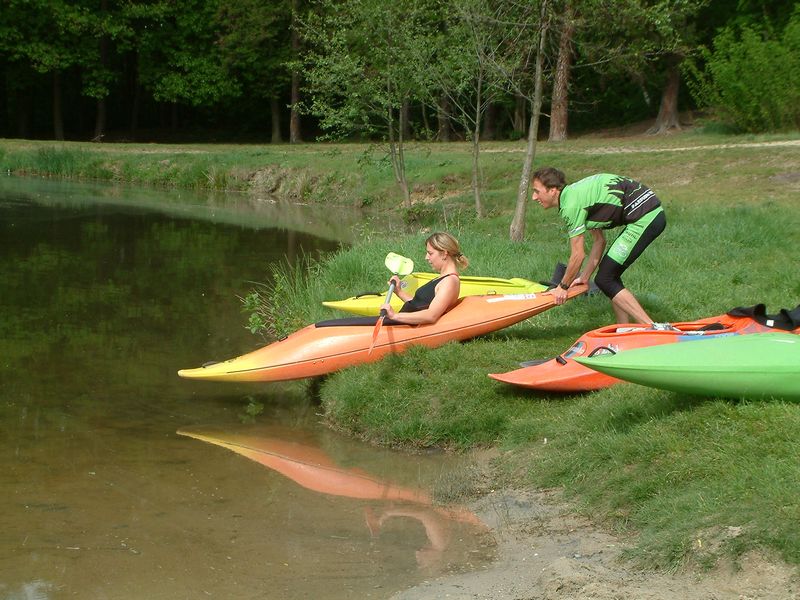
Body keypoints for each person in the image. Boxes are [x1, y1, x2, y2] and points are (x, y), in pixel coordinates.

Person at [531, 168, 666, 324]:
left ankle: (651, 326)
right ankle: (624, 327)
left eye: (537, 191)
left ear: (552, 190)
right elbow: (599, 241)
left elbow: (578, 255)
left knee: (605, 278)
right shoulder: (576, 195)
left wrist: (562, 287)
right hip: (649, 213)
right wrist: (585, 277)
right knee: (610, 275)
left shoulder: (570, 206)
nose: (534, 197)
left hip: (646, 217)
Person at [380, 232, 469, 325]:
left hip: (404, 325)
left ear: (444, 254)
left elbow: (431, 316)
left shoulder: (450, 281)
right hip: (401, 323)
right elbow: (419, 305)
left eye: (430, 253)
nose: (426, 257)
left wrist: (394, 316)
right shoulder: (443, 279)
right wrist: (399, 291)